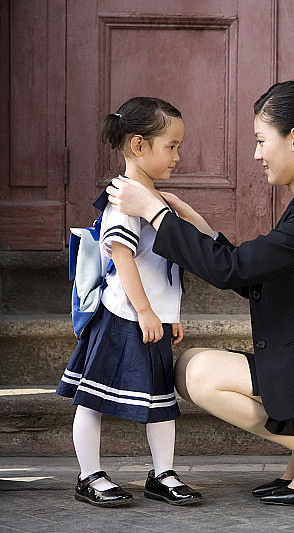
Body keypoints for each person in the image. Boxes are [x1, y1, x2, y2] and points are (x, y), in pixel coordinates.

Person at [106, 80, 294, 507]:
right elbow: (253, 277)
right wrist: (200, 228)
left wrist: (156, 213)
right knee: (189, 365)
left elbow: (232, 270)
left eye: (260, 140)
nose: (256, 154)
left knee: (199, 374)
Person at [57, 97, 202, 507]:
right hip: (122, 318)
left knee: (161, 401)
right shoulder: (123, 198)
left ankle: (163, 473)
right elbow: (122, 257)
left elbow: (160, 265)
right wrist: (144, 311)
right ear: (139, 146)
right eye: (171, 146)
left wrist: (167, 314)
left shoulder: (153, 199)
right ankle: (89, 475)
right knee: (92, 397)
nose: (177, 156)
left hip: (150, 319)